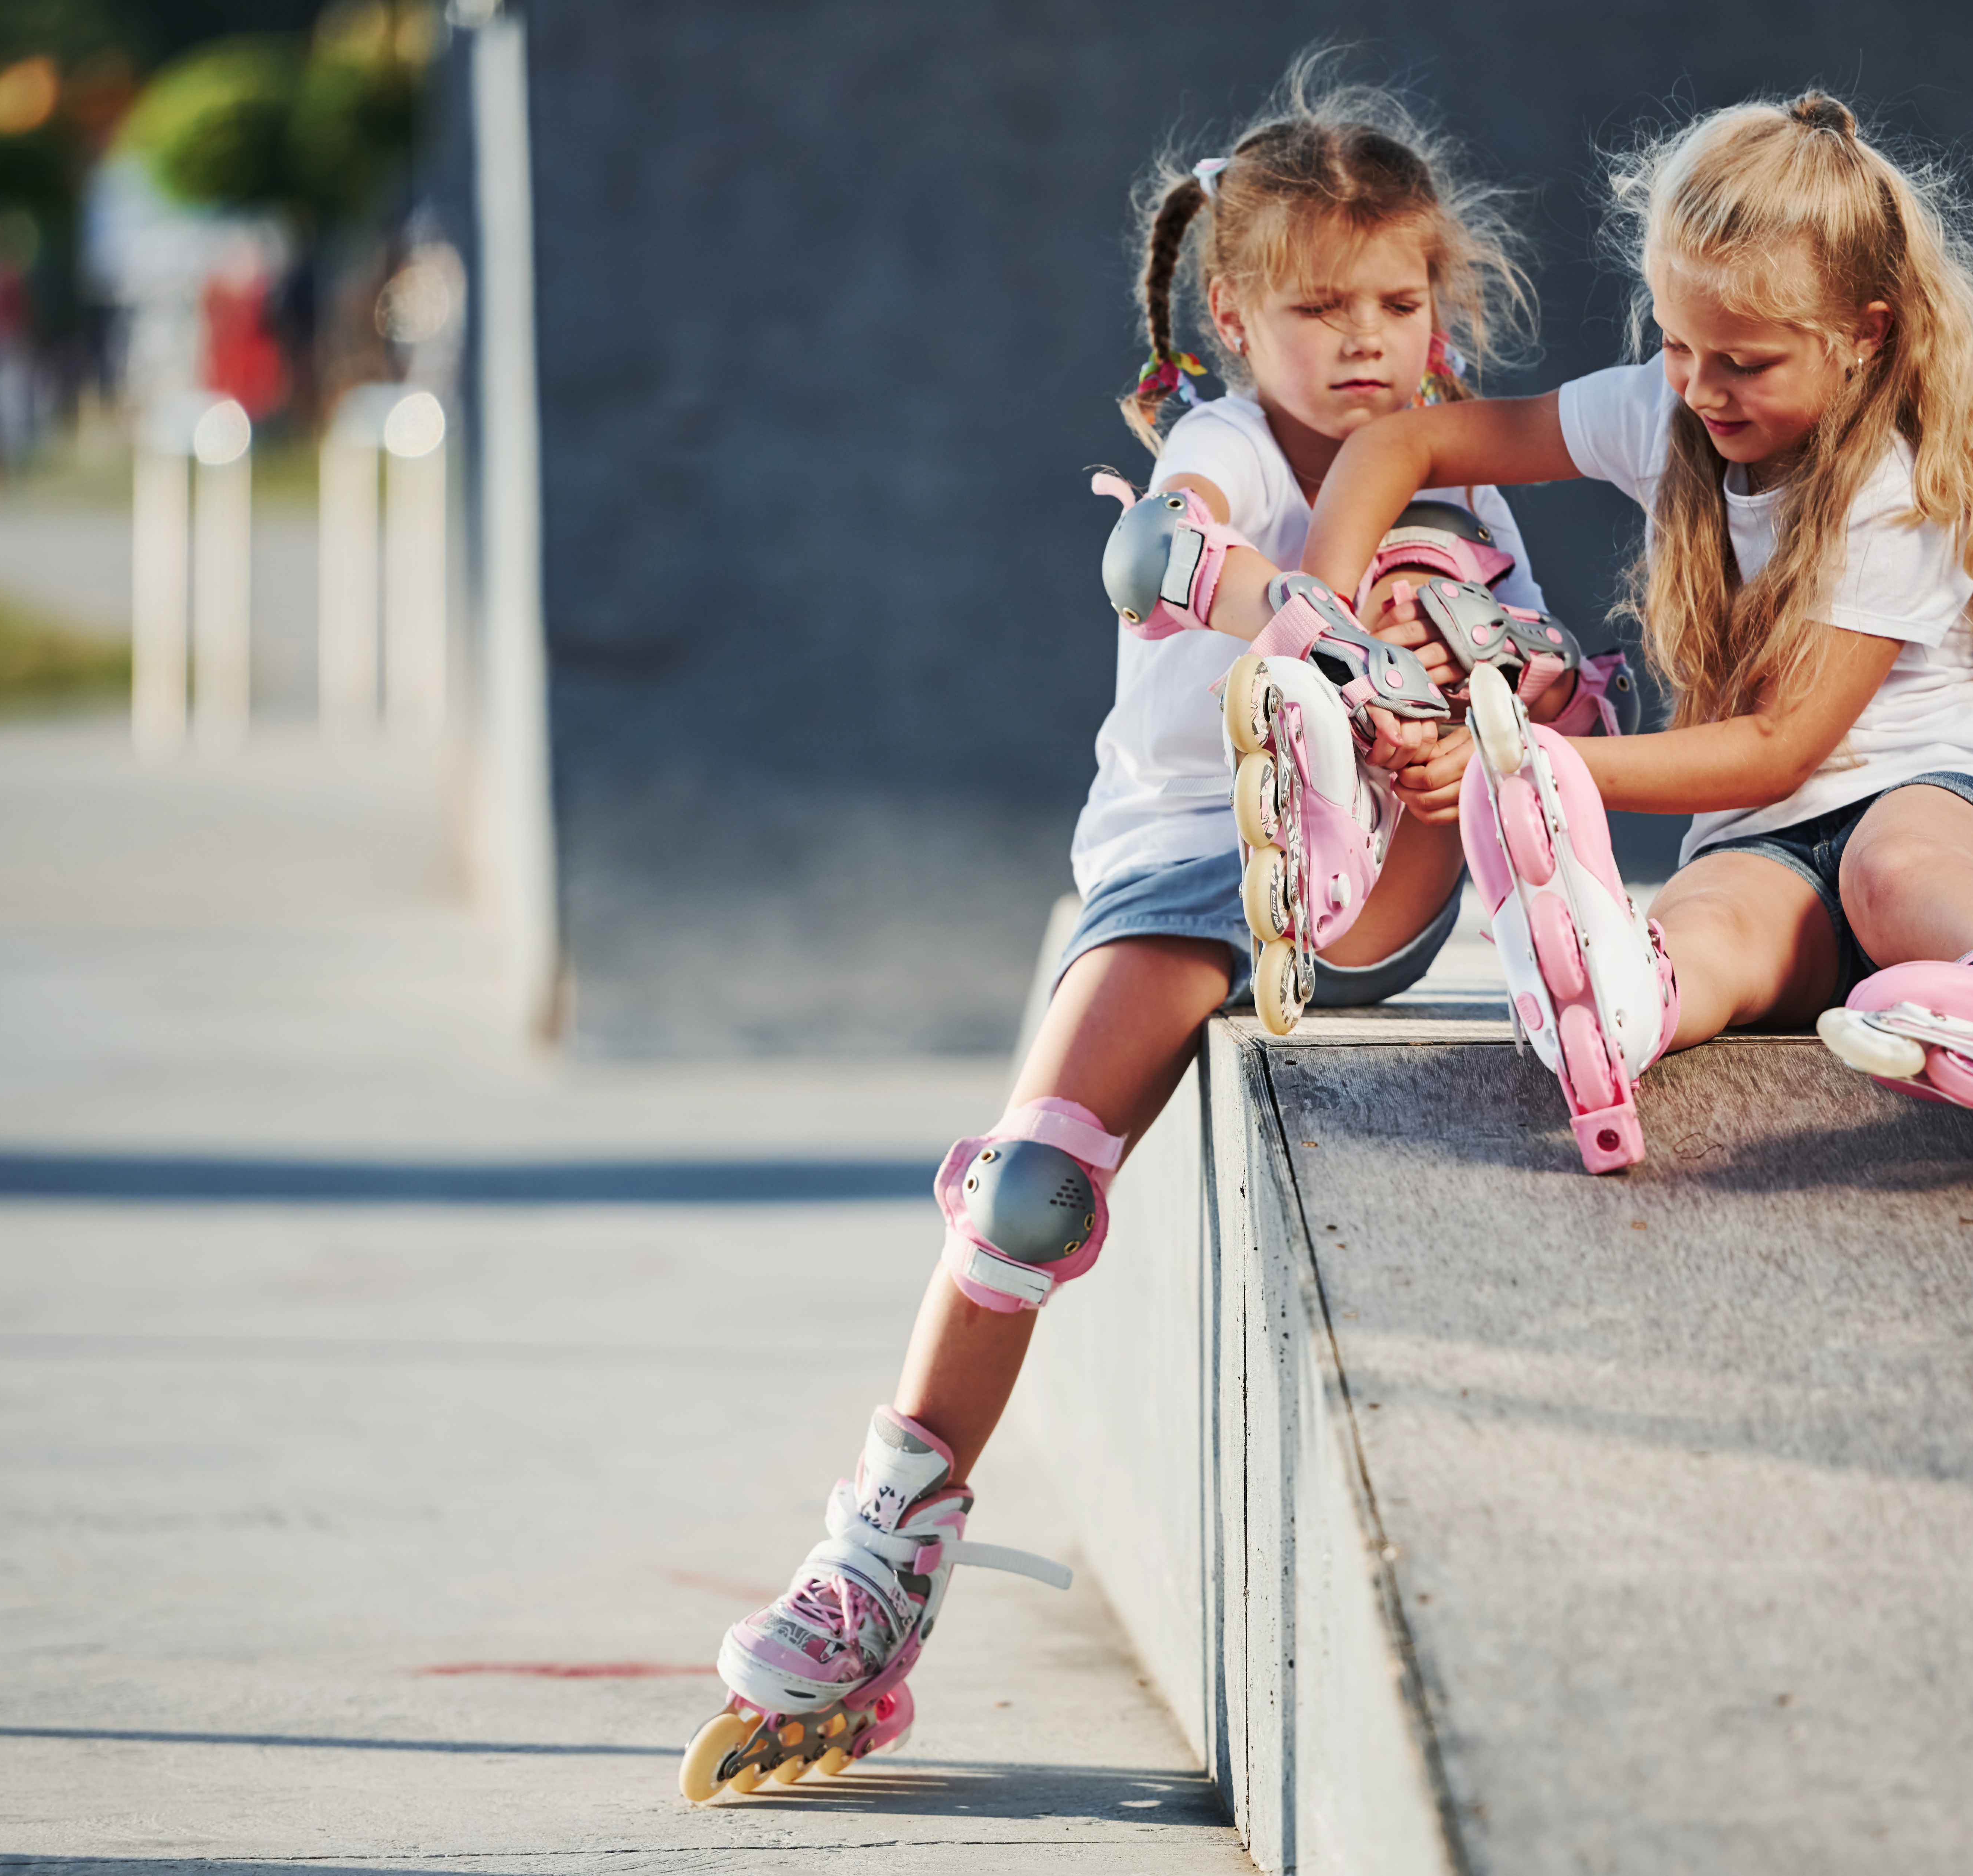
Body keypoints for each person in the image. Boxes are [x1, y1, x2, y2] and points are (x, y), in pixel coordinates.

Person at [680, 58, 1605, 1801]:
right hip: (1192, 869)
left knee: (1451, 605)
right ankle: (881, 1553)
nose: (1366, 341)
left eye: (1400, 302)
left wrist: (1501, 681)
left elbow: (1533, 648)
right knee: (1031, 1179)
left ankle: (1419, 802)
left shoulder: (1453, 472)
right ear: (1238, 318)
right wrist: (1309, 619)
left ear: (1441, 306)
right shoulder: (1225, 446)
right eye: (1320, 308)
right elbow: (1148, 564)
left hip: (1390, 869)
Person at [1287, 91, 1973, 1186]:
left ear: (1862, 335)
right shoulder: (1668, 406)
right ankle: (1618, 1002)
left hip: (1930, 790)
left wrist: (1532, 767)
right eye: (1679, 344)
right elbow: (1406, 443)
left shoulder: (1895, 483)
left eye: (1745, 361)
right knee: (1711, 925)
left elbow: (1783, 744)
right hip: (1761, 837)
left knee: (1893, 872)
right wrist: (1323, 626)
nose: (1701, 387)